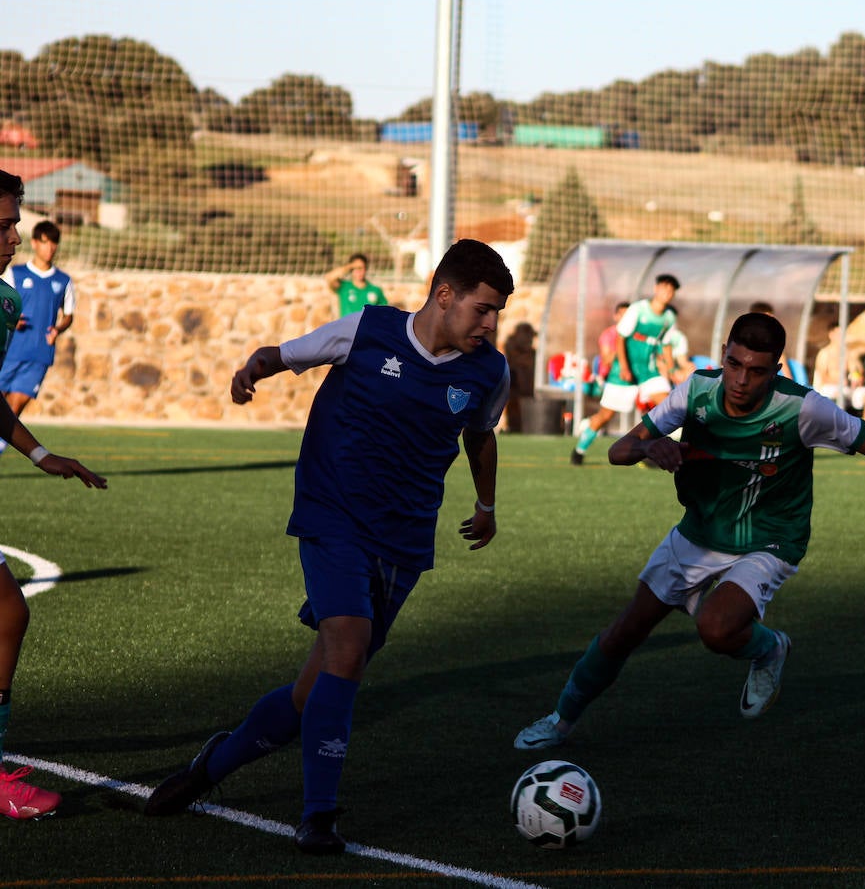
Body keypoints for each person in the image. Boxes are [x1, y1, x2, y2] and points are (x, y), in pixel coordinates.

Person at [144, 239, 514, 854]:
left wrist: (487, 505)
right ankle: (318, 817)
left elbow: (480, 436)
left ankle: (210, 767)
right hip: (331, 514)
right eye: (482, 308)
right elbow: (284, 354)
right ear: (443, 295)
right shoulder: (367, 330)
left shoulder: (489, 371)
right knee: (347, 646)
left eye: (496, 311)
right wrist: (251, 372)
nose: (490, 323)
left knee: (310, 693)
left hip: (405, 539)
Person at [515, 312, 865, 751]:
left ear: (776, 371)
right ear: (724, 354)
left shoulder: (803, 408)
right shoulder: (696, 391)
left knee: (717, 628)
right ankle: (560, 721)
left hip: (770, 541)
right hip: (699, 534)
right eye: (734, 364)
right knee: (624, 633)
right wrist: (651, 445)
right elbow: (618, 450)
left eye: (757, 370)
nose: (741, 379)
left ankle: (769, 649)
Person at [0, 170, 108, 820]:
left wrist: (40, 454)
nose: (12, 235)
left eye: (14, 222)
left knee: (9, 613)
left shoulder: (3, 304)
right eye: (3, 224)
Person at [570, 275, 679, 465]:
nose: (667, 293)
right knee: (606, 416)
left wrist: (671, 369)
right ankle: (579, 451)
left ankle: (655, 450)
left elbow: (666, 344)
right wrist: (625, 367)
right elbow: (621, 338)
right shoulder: (638, 309)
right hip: (624, 371)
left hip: (648, 371)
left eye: (671, 290)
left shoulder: (669, 317)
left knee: (669, 406)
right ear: (656, 289)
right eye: (664, 288)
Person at [0, 220, 77, 453]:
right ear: (35, 243)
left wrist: (58, 329)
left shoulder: (63, 281)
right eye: (45, 243)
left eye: (53, 243)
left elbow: (69, 315)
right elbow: (5, 305)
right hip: (13, 350)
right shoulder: (16, 273)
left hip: (39, 354)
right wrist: (14, 319)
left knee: (16, 406)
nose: (49, 248)